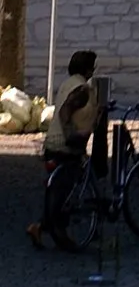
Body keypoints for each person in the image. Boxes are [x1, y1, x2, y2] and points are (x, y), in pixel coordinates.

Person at [28, 50, 99, 250]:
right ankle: (54, 230)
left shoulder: (69, 83)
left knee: (56, 191)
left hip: (53, 144)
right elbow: (65, 111)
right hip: (65, 147)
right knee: (65, 193)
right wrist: (71, 135)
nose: (93, 70)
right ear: (86, 68)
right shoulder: (82, 89)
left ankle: (40, 227)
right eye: (92, 66)